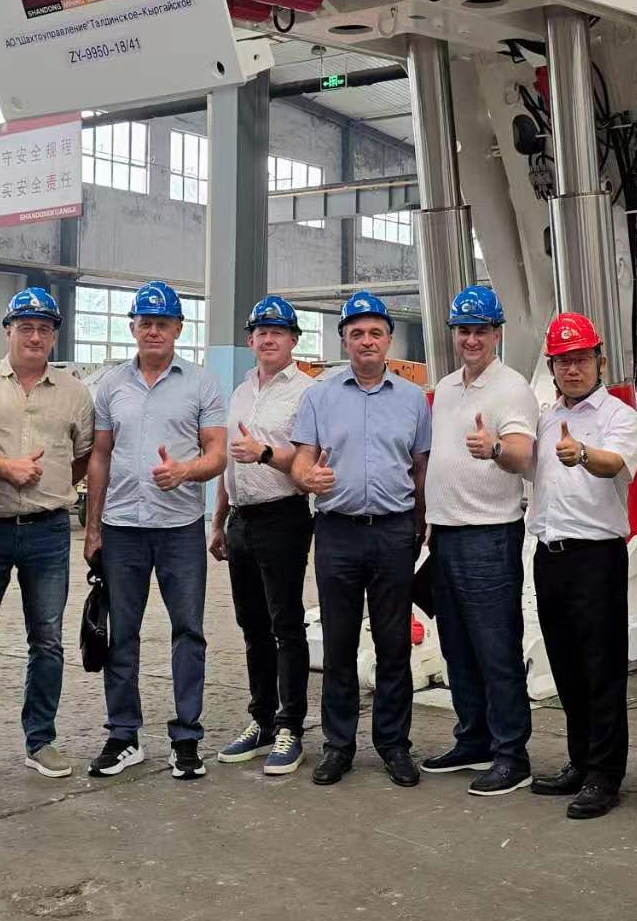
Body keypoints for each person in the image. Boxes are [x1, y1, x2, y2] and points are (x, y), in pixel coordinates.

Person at [83, 280, 228, 781]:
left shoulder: (201, 384)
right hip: (122, 528)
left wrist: (185, 471)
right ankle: (123, 735)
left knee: (188, 631)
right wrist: (93, 527)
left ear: (178, 329)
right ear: (133, 327)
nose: (153, 331)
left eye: (162, 323)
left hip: (179, 530)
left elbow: (217, 454)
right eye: (145, 322)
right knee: (122, 633)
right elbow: (100, 456)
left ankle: (187, 737)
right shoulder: (111, 386)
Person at [290, 291, 431, 789]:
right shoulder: (320, 396)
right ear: (344, 341)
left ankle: (394, 745)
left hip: (394, 531)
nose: (366, 341)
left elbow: (421, 468)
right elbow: (302, 459)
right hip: (337, 532)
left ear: (389, 340)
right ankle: (339, 745)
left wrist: (421, 525)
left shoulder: (413, 400)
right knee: (340, 642)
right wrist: (307, 478)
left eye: (375, 333)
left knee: (394, 644)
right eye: (356, 333)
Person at [0, 288, 94, 782]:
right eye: (26, 327)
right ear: (8, 331)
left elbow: (83, 456)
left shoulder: (75, 392)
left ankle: (41, 740)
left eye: (44, 329)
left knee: (48, 639)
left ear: (54, 336)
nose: (35, 337)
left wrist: (51, 485)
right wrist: (3, 467)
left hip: (48, 531)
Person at [510, 312, 637, 821]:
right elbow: (529, 469)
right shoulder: (545, 418)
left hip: (596, 558)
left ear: (600, 362)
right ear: (551, 367)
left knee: (601, 669)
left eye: (582, 359)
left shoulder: (618, 416)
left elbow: (616, 465)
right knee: (565, 665)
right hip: (550, 555)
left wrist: (583, 453)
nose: (572, 369)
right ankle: (580, 760)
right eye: (563, 361)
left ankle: (605, 774)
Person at [422, 285, 540, 796]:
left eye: (481, 331)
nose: (471, 339)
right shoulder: (448, 388)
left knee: (496, 649)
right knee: (458, 648)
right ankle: (473, 739)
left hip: (489, 537)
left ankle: (512, 755)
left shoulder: (512, 388)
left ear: (497, 334)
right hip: (446, 535)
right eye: (463, 330)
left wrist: (494, 449)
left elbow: (523, 455)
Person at [209, 295, 315, 776]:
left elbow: (309, 461)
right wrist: (219, 521)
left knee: (285, 624)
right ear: (250, 340)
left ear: (293, 340)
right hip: (242, 519)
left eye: (278, 332)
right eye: (261, 332)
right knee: (252, 625)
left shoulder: (308, 393)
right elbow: (230, 465)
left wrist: (266, 452)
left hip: (283, 516)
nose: (269, 339)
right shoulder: (240, 392)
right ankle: (262, 719)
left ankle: (291, 724)